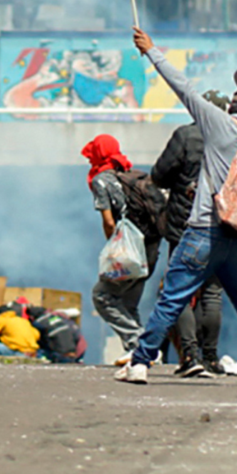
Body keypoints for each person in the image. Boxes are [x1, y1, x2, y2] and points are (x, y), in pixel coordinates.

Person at [117, 28, 237, 384]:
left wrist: (151, 51)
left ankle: (141, 363)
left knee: (171, 299)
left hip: (204, 231)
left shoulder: (219, 125)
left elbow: (183, 87)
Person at [151, 94, 229, 377]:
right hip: (223, 226)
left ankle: (190, 356)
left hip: (186, 226)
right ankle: (211, 358)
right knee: (211, 294)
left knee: (179, 290)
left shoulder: (185, 135)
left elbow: (159, 175)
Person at [81, 134, 157, 362]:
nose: (88, 159)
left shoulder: (101, 180)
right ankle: (139, 353)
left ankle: (140, 345)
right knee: (128, 303)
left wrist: (114, 249)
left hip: (128, 250)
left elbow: (109, 221)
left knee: (102, 296)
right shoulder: (132, 176)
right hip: (151, 247)